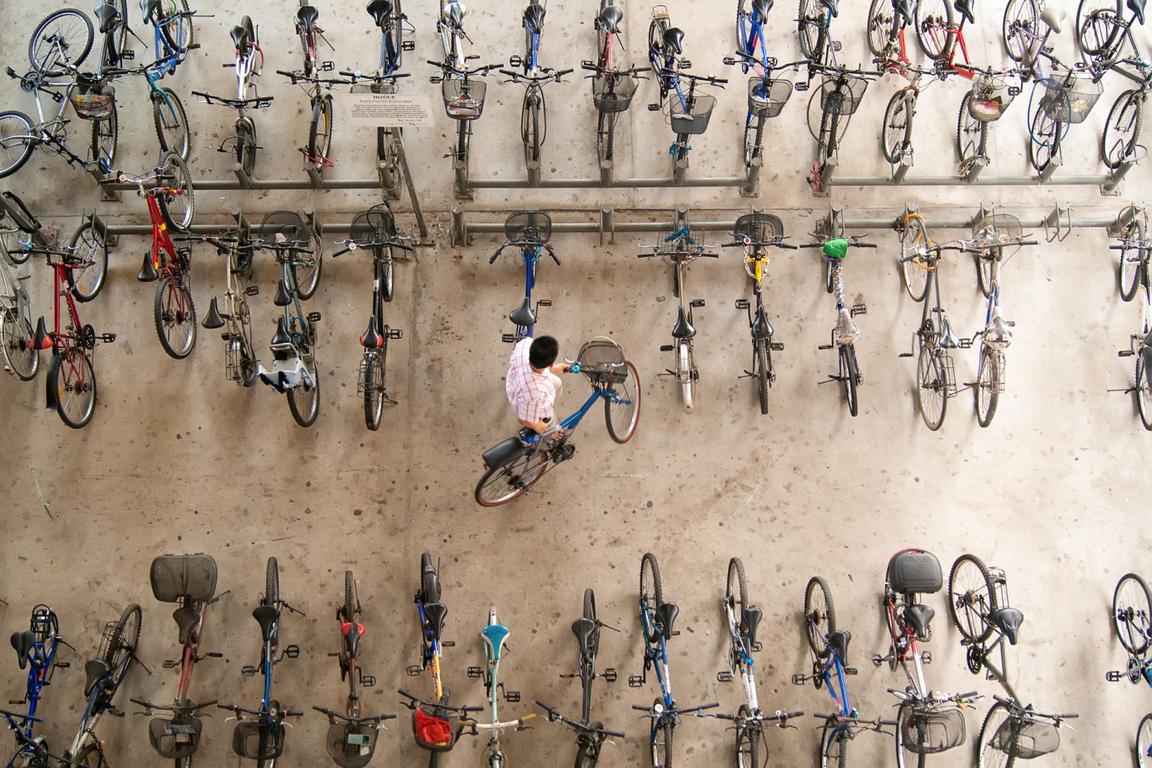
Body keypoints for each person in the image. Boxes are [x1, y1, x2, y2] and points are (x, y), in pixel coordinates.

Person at [505, 335, 570, 436]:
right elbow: (523, 419)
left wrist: (553, 368)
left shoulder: (524, 344)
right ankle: (551, 435)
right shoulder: (535, 393)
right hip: (529, 404)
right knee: (550, 420)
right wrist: (537, 426)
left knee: (557, 382)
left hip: (515, 381)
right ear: (550, 364)